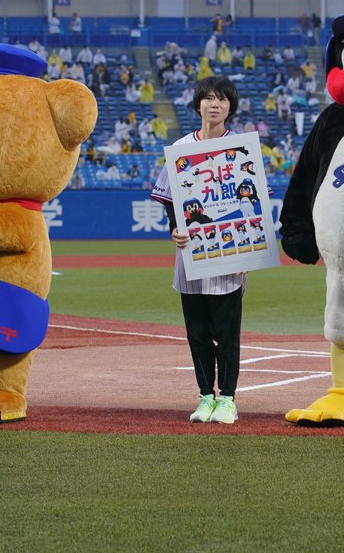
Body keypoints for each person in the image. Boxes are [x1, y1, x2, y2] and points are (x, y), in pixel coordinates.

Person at [150, 75, 246, 425]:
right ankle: (206, 395)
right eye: (208, 98)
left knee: (227, 332)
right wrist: (174, 227)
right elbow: (168, 200)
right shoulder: (180, 149)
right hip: (190, 254)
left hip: (228, 255)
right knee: (198, 332)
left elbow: (251, 201)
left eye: (221, 98)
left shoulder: (241, 149)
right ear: (198, 104)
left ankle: (229, 399)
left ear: (230, 106)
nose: (214, 104)